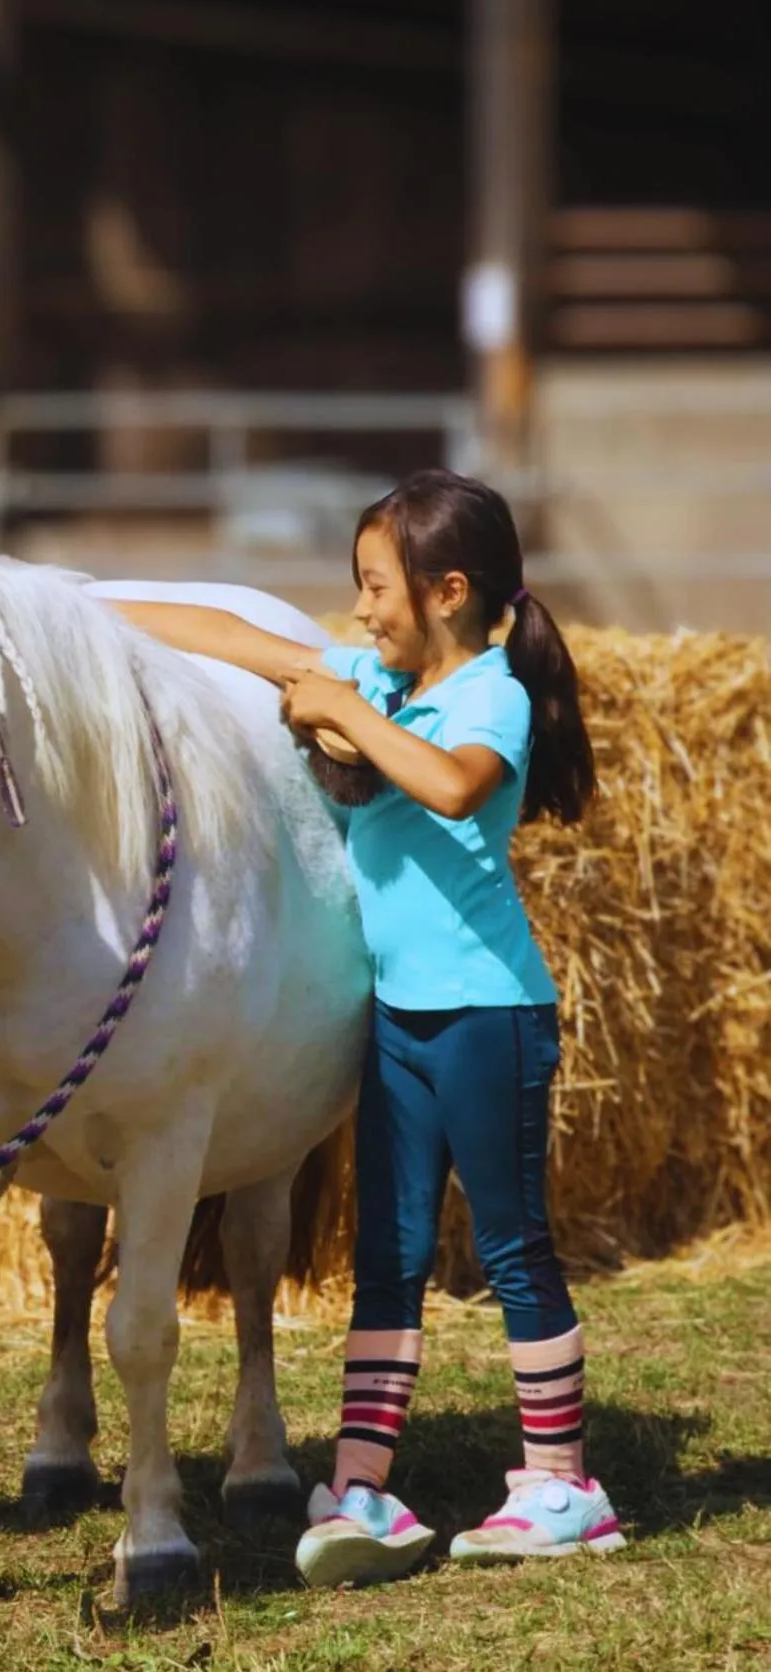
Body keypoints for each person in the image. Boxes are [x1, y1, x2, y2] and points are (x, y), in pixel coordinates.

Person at [118, 469, 625, 1587]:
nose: (358, 612)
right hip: (397, 1019)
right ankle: (363, 1485)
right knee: (384, 1260)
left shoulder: (486, 693)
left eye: (374, 588)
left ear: (448, 592)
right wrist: (75, 608)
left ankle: (563, 1482)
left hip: (490, 1019)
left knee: (512, 1249)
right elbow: (230, 633)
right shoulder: (377, 676)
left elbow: (450, 789)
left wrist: (346, 711)